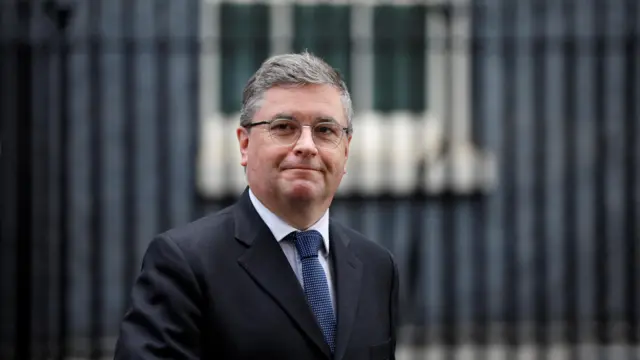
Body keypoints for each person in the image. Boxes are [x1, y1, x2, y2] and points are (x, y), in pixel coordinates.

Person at [114, 51, 399, 360]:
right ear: (244, 144)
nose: (306, 145)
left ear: (346, 150)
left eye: (325, 130)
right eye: (284, 127)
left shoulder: (377, 267)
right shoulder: (185, 263)